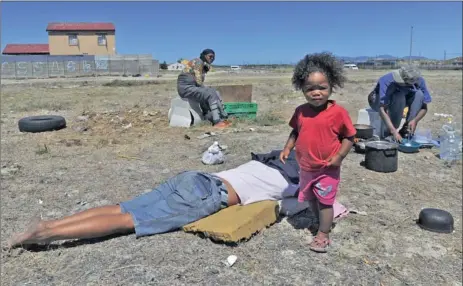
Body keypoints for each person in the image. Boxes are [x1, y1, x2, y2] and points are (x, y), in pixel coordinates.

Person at [7, 151, 303, 248]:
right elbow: (299, 204)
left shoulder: (265, 163)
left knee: (122, 207)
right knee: (129, 221)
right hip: (209, 193)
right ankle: (46, 234)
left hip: (194, 178)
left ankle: (50, 223)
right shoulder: (290, 183)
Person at [279, 52, 356, 253]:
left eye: (322, 88)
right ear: (302, 90)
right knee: (311, 199)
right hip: (306, 167)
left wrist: (339, 156)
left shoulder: (338, 113)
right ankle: (319, 222)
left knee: (325, 202)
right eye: (310, 88)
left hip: (327, 168)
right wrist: (288, 148)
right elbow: (296, 131)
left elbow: (350, 137)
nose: (316, 92)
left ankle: (323, 234)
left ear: (331, 87)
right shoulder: (301, 111)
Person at [368, 65, 432, 142]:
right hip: (377, 101)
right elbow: (382, 109)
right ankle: (390, 133)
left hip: (400, 101)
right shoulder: (386, 80)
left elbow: (424, 107)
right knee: (399, 95)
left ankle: (407, 128)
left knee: (419, 94)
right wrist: (393, 130)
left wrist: (415, 120)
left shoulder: (418, 80)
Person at [177, 49, 230, 128]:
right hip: (186, 88)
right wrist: (208, 90)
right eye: (210, 56)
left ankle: (213, 116)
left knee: (214, 92)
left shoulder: (202, 63)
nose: (212, 59)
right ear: (204, 56)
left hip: (191, 87)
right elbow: (198, 81)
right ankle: (217, 121)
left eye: (213, 57)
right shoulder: (198, 62)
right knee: (210, 93)